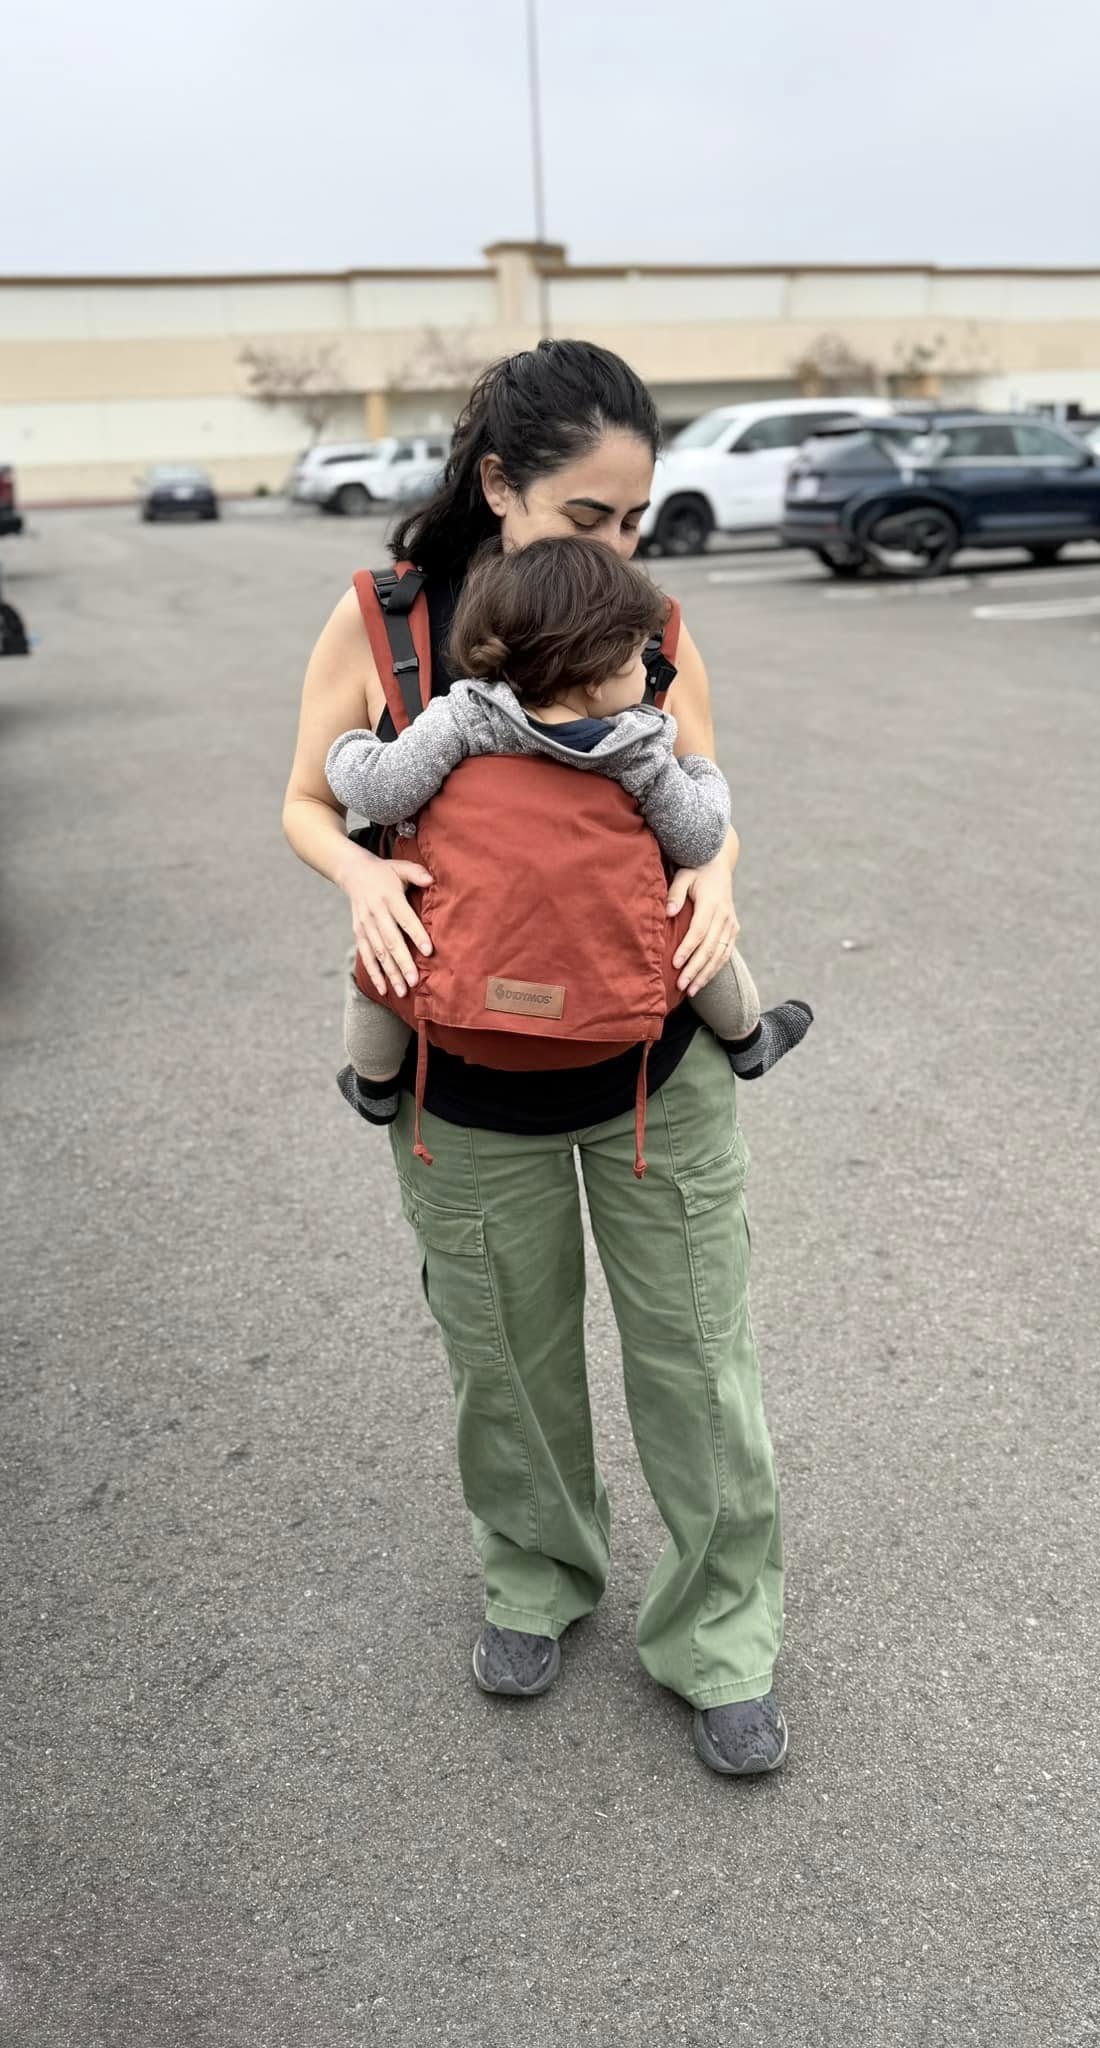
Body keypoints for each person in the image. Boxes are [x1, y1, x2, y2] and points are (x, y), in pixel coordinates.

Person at [282, 340, 791, 1777]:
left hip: (653, 1068)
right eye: (590, 518)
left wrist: (723, 883)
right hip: (462, 1077)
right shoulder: (388, 627)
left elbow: (702, 794)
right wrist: (363, 882)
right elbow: (310, 800)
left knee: (697, 1363)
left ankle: (721, 1635)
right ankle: (538, 1575)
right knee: (503, 1358)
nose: (623, 549)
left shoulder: (654, 621)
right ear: (499, 482)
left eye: (636, 518)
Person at [323, 534, 813, 1125]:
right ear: (596, 681)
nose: (647, 670)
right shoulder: (637, 748)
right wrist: (702, 772)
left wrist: (351, 747)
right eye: (637, 658)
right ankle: (748, 1040)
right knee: (690, 935)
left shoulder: (461, 717)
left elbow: (379, 789)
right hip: (614, 1023)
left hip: (460, 1007)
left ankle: (374, 1084)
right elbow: (700, 838)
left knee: (381, 962)